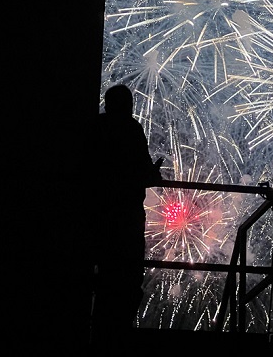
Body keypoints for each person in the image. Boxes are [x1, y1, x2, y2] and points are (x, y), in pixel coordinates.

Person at [91, 84, 163, 350]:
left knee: (103, 282)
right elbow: (143, 172)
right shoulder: (131, 130)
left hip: (99, 217)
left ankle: (100, 334)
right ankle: (117, 338)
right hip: (126, 219)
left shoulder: (96, 128)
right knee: (128, 282)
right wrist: (153, 173)